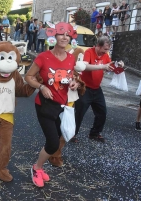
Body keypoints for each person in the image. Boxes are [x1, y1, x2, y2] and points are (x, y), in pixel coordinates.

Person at [25, 22, 80, 187]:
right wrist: (41, 87)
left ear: (70, 37)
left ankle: (40, 168)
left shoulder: (71, 58)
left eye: (67, 35)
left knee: (58, 137)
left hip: (61, 106)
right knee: (53, 143)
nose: (64, 37)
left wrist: (74, 83)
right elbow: (28, 77)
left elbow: (73, 76)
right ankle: (36, 167)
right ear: (54, 36)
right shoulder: (43, 57)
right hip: (44, 105)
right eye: (61, 34)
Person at [73, 36, 114, 143]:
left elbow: (109, 66)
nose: (106, 52)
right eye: (105, 49)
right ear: (98, 46)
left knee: (102, 112)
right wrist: (102, 67)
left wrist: (118, 66)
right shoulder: (89, 52)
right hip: (85, 88)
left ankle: (95, 133)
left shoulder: (105, 55)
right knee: (79, 113)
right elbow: (84, 67)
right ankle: (71, 134)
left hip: (97, 88)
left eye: (108, 49)